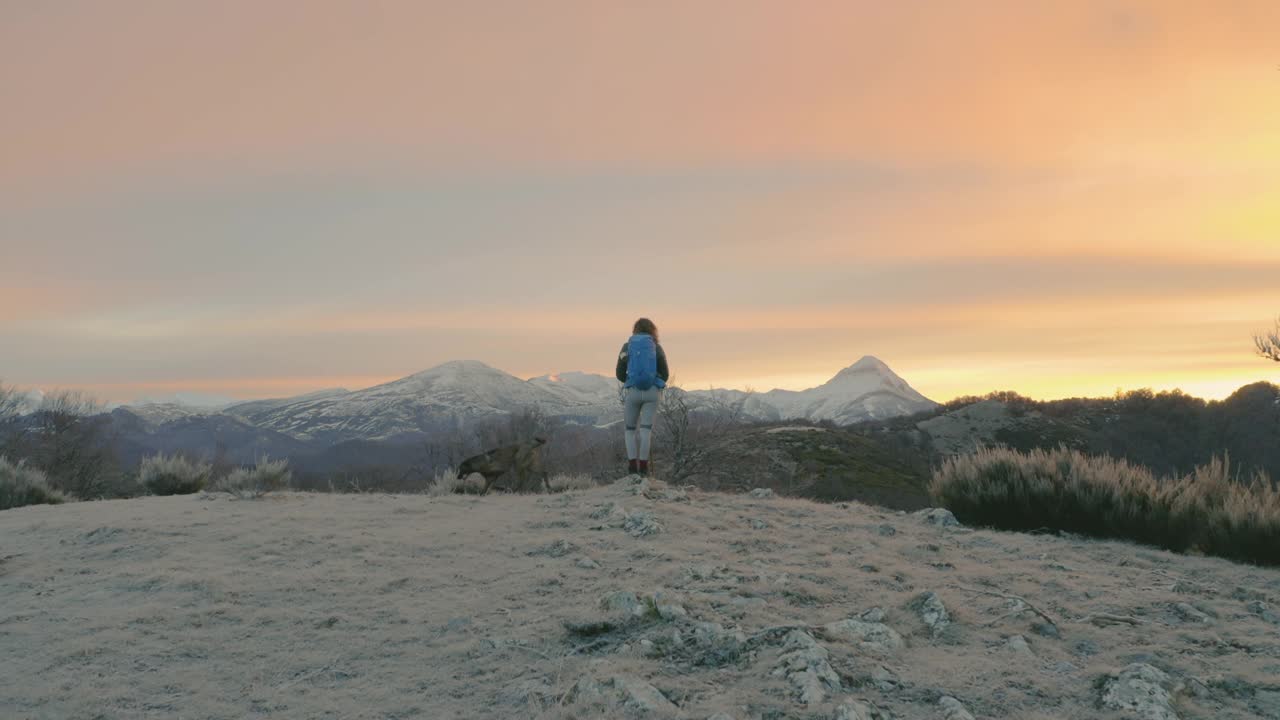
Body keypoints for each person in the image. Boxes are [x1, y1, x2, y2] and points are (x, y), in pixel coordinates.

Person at [615, 318, 669, 476]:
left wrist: (632, 381)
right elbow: (665, 374)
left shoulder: (627, 347)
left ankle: (632, 467)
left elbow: (619, 374)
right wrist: (654, 381)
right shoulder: (656, 347)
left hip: (633, 392)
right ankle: (644, 468)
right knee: (646, 430)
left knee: (630, 430)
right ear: (653, 331)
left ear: (635, 330)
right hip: (652, 392)